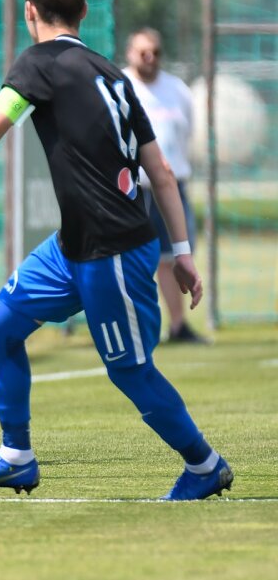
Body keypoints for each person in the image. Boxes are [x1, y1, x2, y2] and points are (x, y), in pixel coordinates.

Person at [0, 0, 232, 501]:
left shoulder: (38, 64)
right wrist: (183, 250)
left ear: (29, 11)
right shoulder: (114, 75)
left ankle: (205, 465)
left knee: (130, 371)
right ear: (83, 12)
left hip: (112, 248)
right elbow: (164, 173)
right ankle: (16, 457)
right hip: (74, 246)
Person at [123, 27, 207, 344]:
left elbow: (187, 134)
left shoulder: (177, 89)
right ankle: (136, 328)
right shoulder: (121, 85)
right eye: (143, 52)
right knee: (136, 259)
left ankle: (177, 325)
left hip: (171, 186)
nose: (150, 58)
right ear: (130, 53)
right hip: (134, 188)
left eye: (155, 52)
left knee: (174, 256)